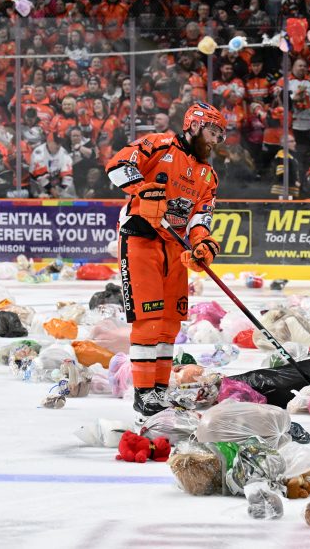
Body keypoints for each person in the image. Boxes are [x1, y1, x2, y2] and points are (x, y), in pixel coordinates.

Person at [105, 102, 225, 417]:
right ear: (195, 125)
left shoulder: (209, 175)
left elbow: (200, 218)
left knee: (170, 323)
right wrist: (143, 191)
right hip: (141, 238)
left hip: (175, 246)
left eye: (219, 136)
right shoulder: (159, 145)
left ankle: (159, 389)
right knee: (149, 319)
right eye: (213, 132)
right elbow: (117, 165)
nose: (215, 141)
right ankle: (143, 392)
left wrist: (202, 244)